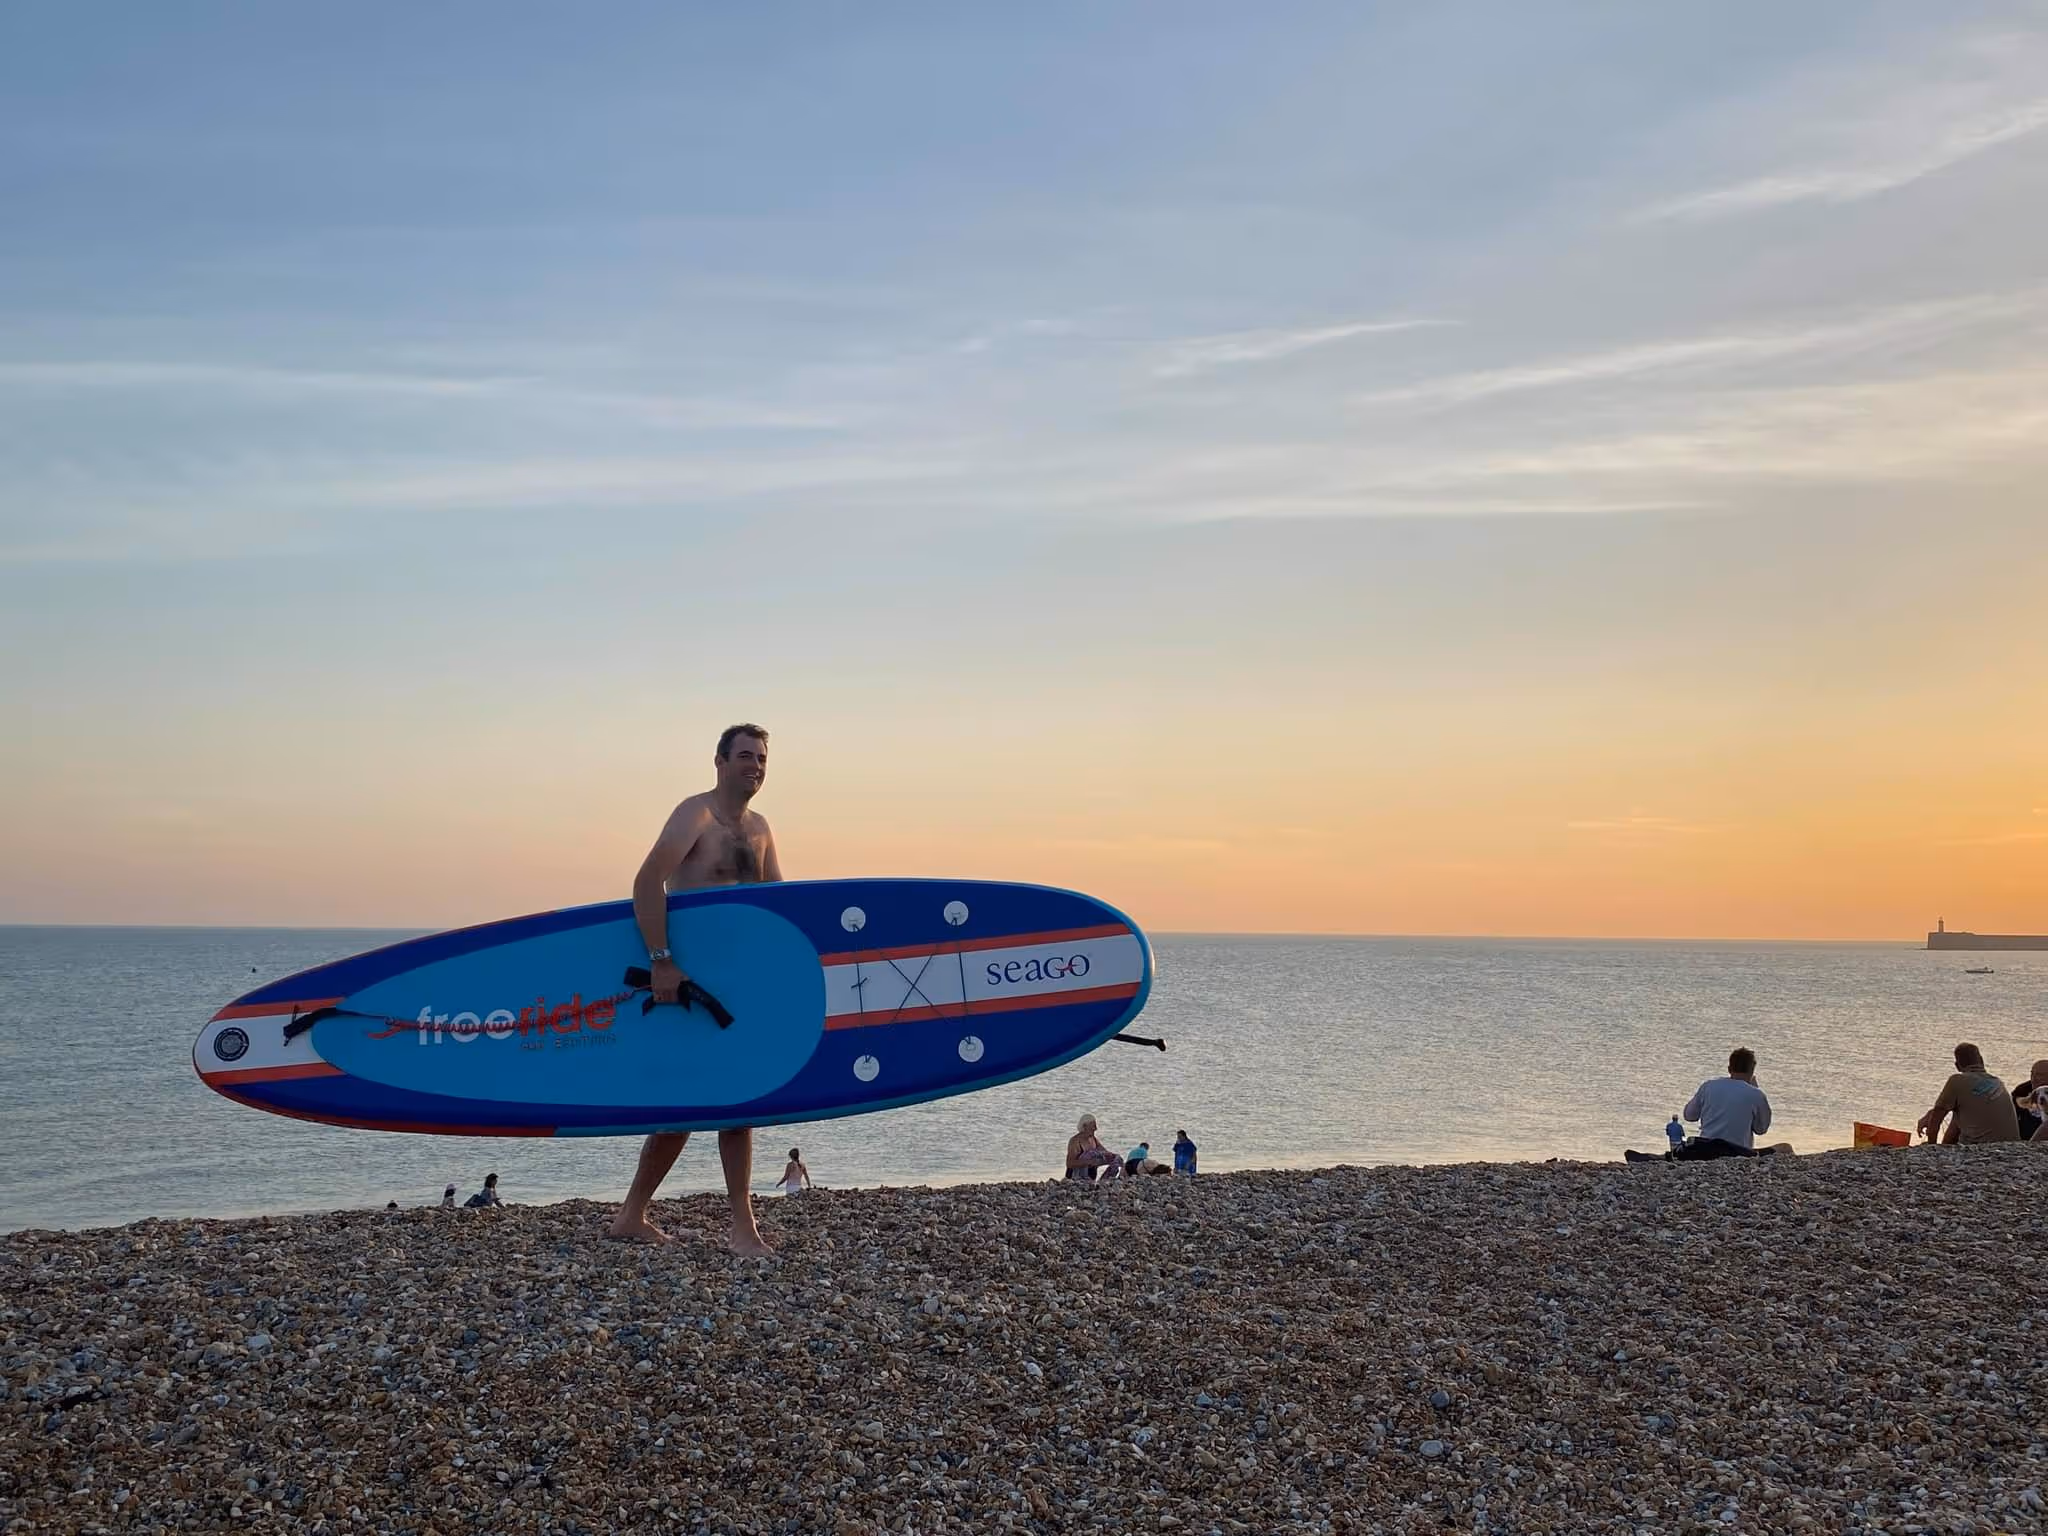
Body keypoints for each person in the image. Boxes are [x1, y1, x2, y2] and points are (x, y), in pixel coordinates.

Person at [608, 724, 783, 1253]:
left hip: (740, 983)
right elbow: (646, 881)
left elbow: (780, 907)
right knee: (682, 1109)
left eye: (762, 758)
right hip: (686, 981)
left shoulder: (760, 828)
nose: (755, 765)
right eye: (745, 756)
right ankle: (640, 1215)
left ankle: (735, 1225)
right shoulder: (695, 814)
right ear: (720, 761)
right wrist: (662, 962)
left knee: (738, 1104)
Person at [1625, 1048, 1781, 1162]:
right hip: (1738, 1152)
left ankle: (1656, 1158)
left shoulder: (1709, 1086)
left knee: (1682, 1152)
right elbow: (1761, 1129)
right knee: (1785, 1147)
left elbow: (1689, 1116)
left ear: (1729, 1069)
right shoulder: (1756, 1094)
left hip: (1705, 1148)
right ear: (1752, 1071)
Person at [1917, 1043, 2020, 1145]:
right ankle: (1945, 1145)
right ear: (1981, 1061)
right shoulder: (1997, 1082)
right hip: (2012, 1147)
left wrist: (1931, 1147)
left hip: (1982, 1147)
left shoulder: (1957, 1081)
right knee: (1961, 1110)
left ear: (1957, 1066)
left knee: (1958, 1111)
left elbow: (1936, 1120)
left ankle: (1943, 1146)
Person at [1064, 1114, 1123, 1181]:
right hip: (1074, 1177)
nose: (1095, 1128)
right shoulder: (1075, 1141)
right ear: (1085, 1126)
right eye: (1093, 1126)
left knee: (1115, 1159)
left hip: (1091, 1177)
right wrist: (1089, 1162)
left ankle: (1104, 1181)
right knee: (1090, 1154)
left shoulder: (1093, 1139)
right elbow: (1069, 1163)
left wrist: (1114, 1158)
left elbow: (1105, 1153)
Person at [2009, 1060, 2048, 1141]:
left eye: (2039, 1075)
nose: (2034, 1078)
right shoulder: (2022, 1090)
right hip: (2021, 1139)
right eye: (2032, 1074)